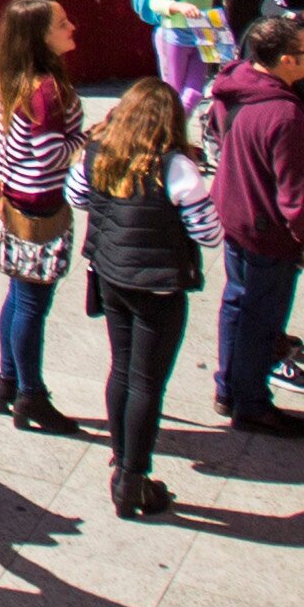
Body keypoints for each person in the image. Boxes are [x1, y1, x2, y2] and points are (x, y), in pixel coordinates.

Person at [78, 78, 204, 523]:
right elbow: (208, 231)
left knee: (121, 368)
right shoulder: (177, 169)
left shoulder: (97, 150)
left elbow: (78, 196)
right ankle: (133, 480)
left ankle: (120, 458)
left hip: (111, 275)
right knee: (147, 382)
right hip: (158, 287)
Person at [206, 13, 304, 437]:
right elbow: (294, 192)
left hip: (233, 213)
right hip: (267, 230)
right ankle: (252, 403)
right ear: (283, 61)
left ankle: (227, 387)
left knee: (236, 302)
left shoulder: (232, 82)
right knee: (262, 317)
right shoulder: (285, 115)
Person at [0, 0, 86, 437]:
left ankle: (8, 381)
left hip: (8, 196)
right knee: (31, 303)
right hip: (37, 206)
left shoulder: (13, 79)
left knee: (18, 296)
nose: (71, 28)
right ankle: (31, 394)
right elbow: (48, 158)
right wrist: (88, 141)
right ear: (39, 38)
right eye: (62, 24)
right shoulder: (46, 92)